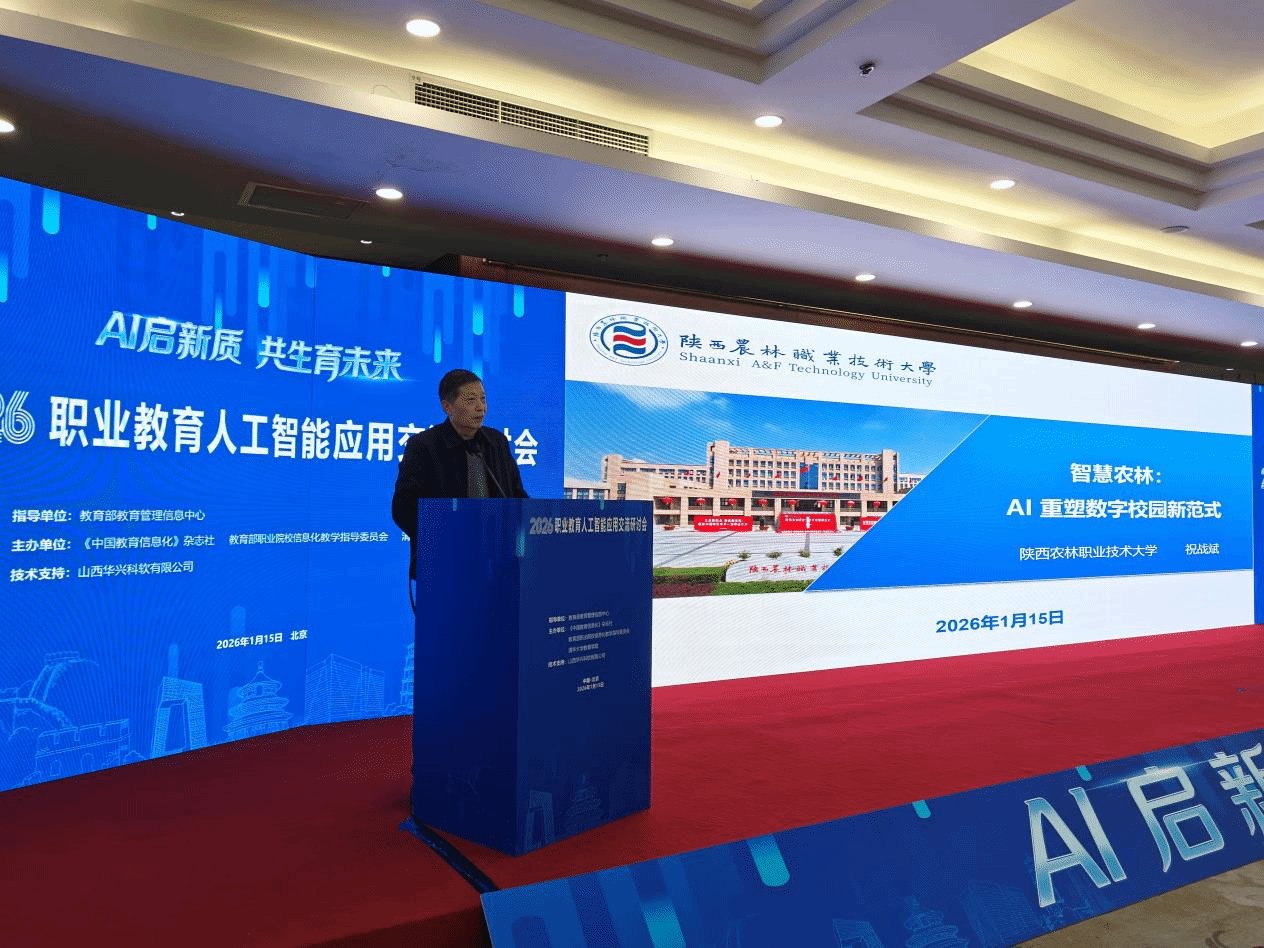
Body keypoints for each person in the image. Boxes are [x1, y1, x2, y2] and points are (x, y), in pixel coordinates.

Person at [391, 368, 528, 579]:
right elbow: (403, 507)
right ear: (447, 407)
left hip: (497, 563)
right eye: (471, 400)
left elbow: (518, 497)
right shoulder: (424, 446)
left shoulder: (496, 443)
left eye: (483, 399)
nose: (481, 407)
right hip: (444, 566)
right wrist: (444, 538)